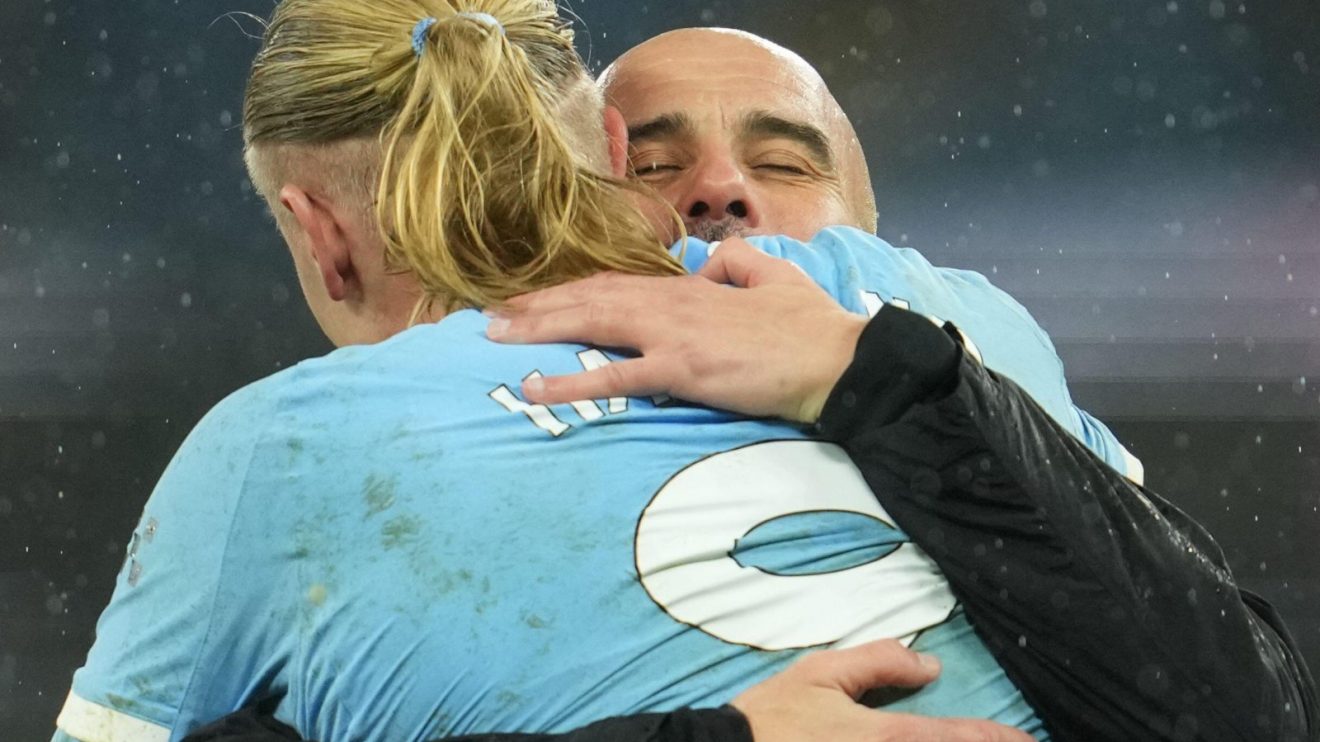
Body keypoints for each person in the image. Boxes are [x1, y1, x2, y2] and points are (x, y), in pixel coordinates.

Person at [52, 5, 1310, 742]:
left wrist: (880, 377)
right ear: (602, 163)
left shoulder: (278, 449)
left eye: (781, 159)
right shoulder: (939, 305)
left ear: (317, 233)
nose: (723, 199)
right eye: (665, 164)